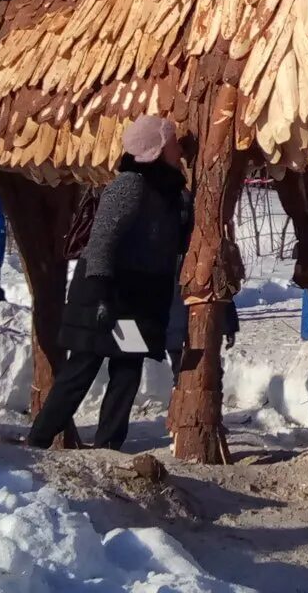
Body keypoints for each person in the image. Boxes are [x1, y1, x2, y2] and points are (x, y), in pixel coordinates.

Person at [27, 115, 189, 452]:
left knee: (127, 368)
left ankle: (109, 446)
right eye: (171, 142)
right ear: (155, 150)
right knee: (83, 365)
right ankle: (39, 439)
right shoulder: (129, 185)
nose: (178, 148)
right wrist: (101, 294)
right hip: (108, 293)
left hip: (135, 298)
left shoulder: (170, 190)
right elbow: (102, 240)